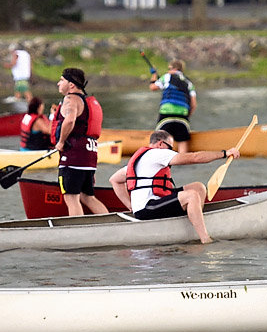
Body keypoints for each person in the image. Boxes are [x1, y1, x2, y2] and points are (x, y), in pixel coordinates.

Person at [109, 130, 239, 244]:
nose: (172, 152)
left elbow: (114, 180)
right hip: (148, 208)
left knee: (198, 187)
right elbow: (195, 157)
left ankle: (192, 223)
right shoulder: (156, 153)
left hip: (149, 206)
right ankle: (205, 238)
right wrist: (224, 153)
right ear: (160, 144)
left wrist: (130, 206)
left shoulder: (140, 159)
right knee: (191, 195)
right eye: (170, 148)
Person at [53, 67, 107, 216]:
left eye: (61, 80)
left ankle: (77, 232)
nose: (58, 83)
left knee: (71, 198)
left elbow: (69, 121)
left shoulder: (70, 99)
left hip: (74, 155)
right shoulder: (86, 101)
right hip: (89, 156)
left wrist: (61, 142)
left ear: (71, 85)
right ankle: (109, 223)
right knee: (88, 197)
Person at [148, 59, 196, 154]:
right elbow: (193, 104)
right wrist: (186, 116)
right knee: (183, 141)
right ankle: (182, 160)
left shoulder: (166, 77)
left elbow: (153, 87)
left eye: (169, 68)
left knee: (159, 139)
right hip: (182, 116)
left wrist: (154, 74)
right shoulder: (188, 82)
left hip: (166, 114)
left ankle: (160, 159)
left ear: (173, 68)